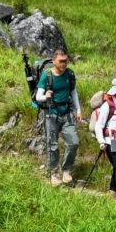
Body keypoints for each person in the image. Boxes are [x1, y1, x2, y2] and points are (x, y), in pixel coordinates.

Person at [36, 49, 82, 185]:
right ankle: (54, 173)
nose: (64, 64)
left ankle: (66, 170)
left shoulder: (70, 74)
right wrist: (46, 96)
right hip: (52, 114)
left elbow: (73, 92)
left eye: (66, 61)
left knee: (74, 142)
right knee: (52, 145)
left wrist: (78, 110)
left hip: (67, 113)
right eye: (61, 61)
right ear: (54, 61)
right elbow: (38, 97)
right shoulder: (47, 75)